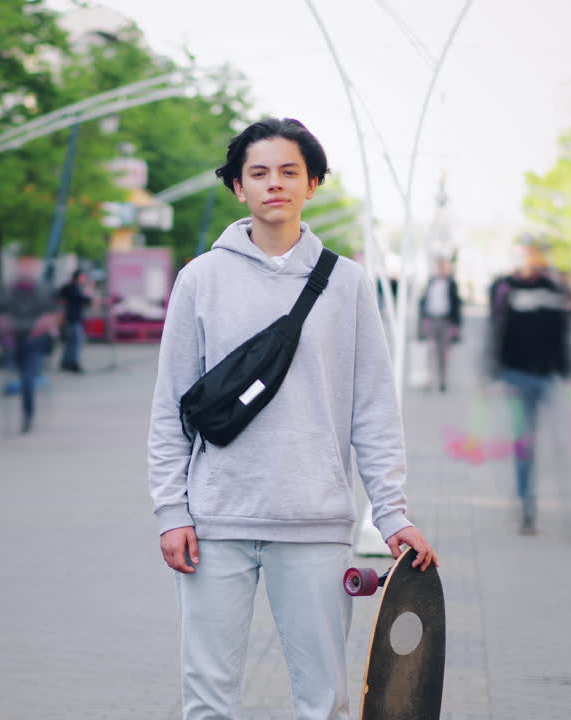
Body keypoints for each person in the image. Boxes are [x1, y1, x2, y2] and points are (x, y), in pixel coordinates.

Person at [147, 117, 439, 720]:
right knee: (207, 700)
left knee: (324, 700)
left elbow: (373, 411)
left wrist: (391, 513)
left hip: (314, 523)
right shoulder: (200, 279)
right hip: (215, 524)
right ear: (238, 187)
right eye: (258, 173)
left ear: (312, 184)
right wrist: (171, 511)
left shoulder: (347, 283)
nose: (274, 183)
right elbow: (170, 408)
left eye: (289, 172)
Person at [486, 239, 571, 536]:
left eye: (537, 256)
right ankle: (527, 506)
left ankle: (561, 504)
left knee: (558, 442)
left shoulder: (553, 289)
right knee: (524, 444)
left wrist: (567, 370)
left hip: (546, 375)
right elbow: (497, 331)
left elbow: (562, 332)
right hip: (517, 376)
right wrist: (496, 373)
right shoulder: (505, 289)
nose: (532, 261)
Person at [0, 257, 59, 434]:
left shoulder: (43, 290)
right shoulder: (10, 290)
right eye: (23, 267)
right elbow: (2, 313)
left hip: (34, 340)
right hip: (15, 339)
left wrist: (41, 328)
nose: (25, 271)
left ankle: (28, 415)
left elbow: (51, 315)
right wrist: (4, 329)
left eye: (29, 268)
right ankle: (26, 413)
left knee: (27, 378)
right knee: (21, 376)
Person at [419, 256, 463, 393]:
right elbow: (424, 302)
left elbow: (457, 305)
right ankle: (428, 379)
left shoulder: (452, 284)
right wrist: (423, 321)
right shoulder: (431, 282)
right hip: (432, 319)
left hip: (446, 321)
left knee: (443, 353)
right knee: (430, 350)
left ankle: (443, 380)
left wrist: (456, 326)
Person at [58, 269, 93, 373]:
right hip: (73, 318)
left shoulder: (69, 287)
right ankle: (73, 362)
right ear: (78, 277)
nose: (84, 279)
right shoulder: (74, 288)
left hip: (71, 318)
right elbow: (83, 299)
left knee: (71, 341)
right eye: (83, 277)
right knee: (77, 341)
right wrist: (89, 294)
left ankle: (65, 362)